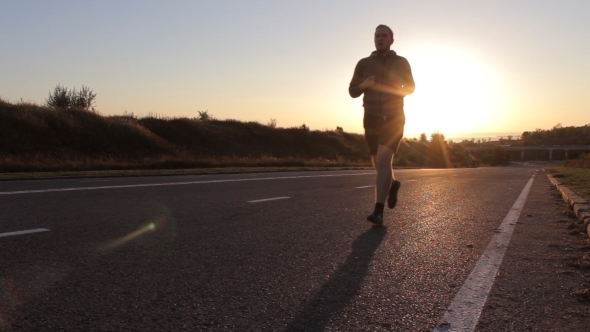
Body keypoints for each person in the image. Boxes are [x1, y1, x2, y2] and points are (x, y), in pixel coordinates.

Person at [349, 24, 415, 225]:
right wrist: (364, 85)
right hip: (371, 117)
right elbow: (353, 91)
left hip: (394, 117)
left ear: (391, 40)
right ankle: (393, 184)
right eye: (377, 35)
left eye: (384, 35)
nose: (380, 38)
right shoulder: (363, 63)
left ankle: (378, 211)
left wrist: (395, 90)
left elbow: (411, 87)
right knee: (379, 164)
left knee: (384, 160)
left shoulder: (401, 62)